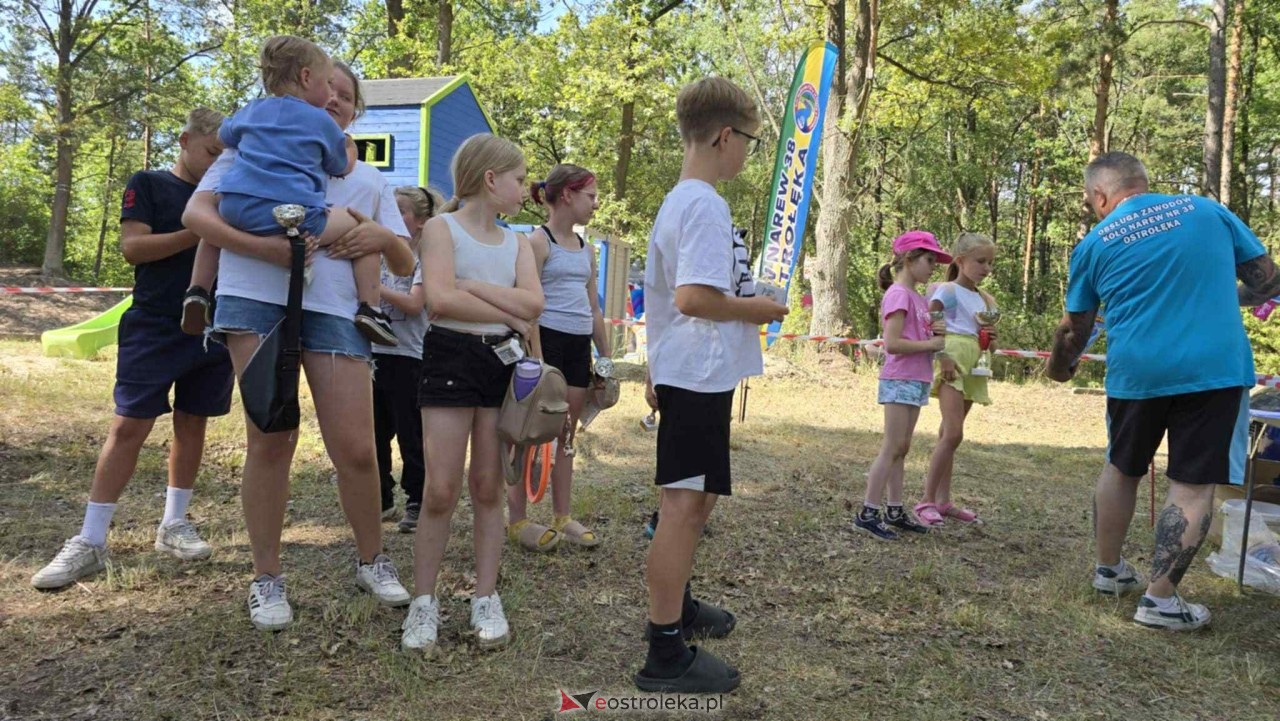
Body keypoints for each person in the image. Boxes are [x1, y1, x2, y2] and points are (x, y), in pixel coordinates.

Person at [182, 61, 415, 631]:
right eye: (326, 90)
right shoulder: (251, 149)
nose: (333, 100)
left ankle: (372, 558)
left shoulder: (371, 180)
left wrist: (381, 235)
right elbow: (197, 215)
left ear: (355, 109)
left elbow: (408, 263)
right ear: (303, 94)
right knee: (270, 438)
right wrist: (262, 251)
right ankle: (266, 577)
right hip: (256, 299)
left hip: (336, 312)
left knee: (358, 447)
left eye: (345, 95)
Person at [1047, 151, 1277, 631]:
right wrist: (1227, 290)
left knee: (1121, 465)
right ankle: (1159, 600)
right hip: (1212, 370)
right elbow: (1267, 279)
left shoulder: (1095, 241)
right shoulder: (1205, 209)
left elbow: (1076, 328)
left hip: (1136, 373)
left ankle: (1109, 570)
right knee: (1192, 484)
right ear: (1143, 183)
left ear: (1100, 195)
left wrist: (1060, 369)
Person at [31, 109, 234, 590]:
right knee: (128, 426)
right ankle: (91, 539)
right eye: (210, 152)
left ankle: (174, 523)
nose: (216, 162)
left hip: (213, 325)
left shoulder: (227, 195)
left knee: (193, 422)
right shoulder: (148, 183)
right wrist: (204, 229)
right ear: (184, 141)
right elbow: (133, 248)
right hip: (153, 323)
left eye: (225, 155)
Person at [633, 77, 788, 694]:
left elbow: (672, 298)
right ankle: (664, 651)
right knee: (683, 506)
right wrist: (764, 310)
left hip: (694, 372)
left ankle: (682, 603)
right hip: (696, 374)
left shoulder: (684, 200)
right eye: (748, 139)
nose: (747, 152)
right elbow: (694, 297)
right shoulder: (702, 204)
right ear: (726, 136)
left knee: (696, 501)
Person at [400, 134, 543, 654]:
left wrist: (478, 292)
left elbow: (534, 303)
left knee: (488, 486)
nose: (525, 189)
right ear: (491, 179)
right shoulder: (440, 228)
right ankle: (423, 602)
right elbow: (438, 299)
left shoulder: (519, 243)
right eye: (520, 178)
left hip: (500, 366)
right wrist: (508, 310)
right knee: (440, 490)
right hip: (450, 361)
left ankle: (486, 596)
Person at [182, 35, 394, 346]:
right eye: (327, 85)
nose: (331, 95)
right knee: (356, 221)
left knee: (217, 226)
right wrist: (342, 148)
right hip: (296, 217)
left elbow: (227, 136)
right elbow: (339, 166)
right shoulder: (320, 123)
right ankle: (370, 308)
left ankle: (198, 290)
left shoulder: (251, 109)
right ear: (307, 78)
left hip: (237, 209)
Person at [506, 163, 610, 552]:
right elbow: (528, 305)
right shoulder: (538, 242)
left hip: (577, 345)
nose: (595, 204)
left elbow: (593, 307)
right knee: (527, 433)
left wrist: (607, 357)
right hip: (544, 344)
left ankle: (562, 515)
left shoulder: (587, 249)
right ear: (567, 195)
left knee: (566, 434)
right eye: (591, 196)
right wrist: (536, 356)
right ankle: (516, 519)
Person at [853, 231, 948, 541]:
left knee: (903, 448)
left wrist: (936, 340)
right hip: (900, 378)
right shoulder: (898, 294)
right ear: (909, 260)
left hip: (917, 378)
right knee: (892, 447)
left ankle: (894, 509)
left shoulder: (919, 298)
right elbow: (892, 344)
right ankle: (868, 511)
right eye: (929, 260)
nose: (934, 266)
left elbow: (918, 339)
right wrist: (930, 343)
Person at [916, 232, 998, 526]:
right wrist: (942, 357)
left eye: (990, 262)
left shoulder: (984, 299)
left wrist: (990, 341)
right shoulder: (947, 292)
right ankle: (925, 500)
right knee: (953, 433)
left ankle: (942, 500)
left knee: (948, 435)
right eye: (980, 261)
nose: (986, 268)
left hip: (974, 363)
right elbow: (934, 326)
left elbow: (986, 333)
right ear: (961, 261)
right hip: (952, 360)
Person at [375, 186, 441, 533]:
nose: (393, 217)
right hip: (372, 354)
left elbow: (415, 304)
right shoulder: (374, 255)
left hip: (408, 356)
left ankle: (416, 499)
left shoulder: (425, 261)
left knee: (410, 434)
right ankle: (380, 496)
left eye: (401, 211)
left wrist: (373, 287)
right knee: (373, 432)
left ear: (420, 222)